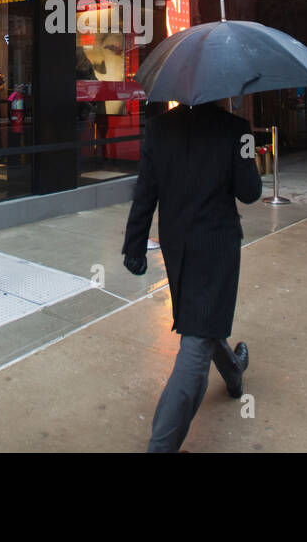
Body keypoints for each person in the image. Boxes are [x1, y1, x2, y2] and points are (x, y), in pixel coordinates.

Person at [122, 99, 262, 453]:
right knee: (196, 340)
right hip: (217, 247)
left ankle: (233, 370)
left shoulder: (157, 129)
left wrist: (134, 244)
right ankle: (162, 445)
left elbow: (145, 192)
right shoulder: (236, 129)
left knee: (200, 319)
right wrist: (248, 157)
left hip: (177, 245)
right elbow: (250, 192)